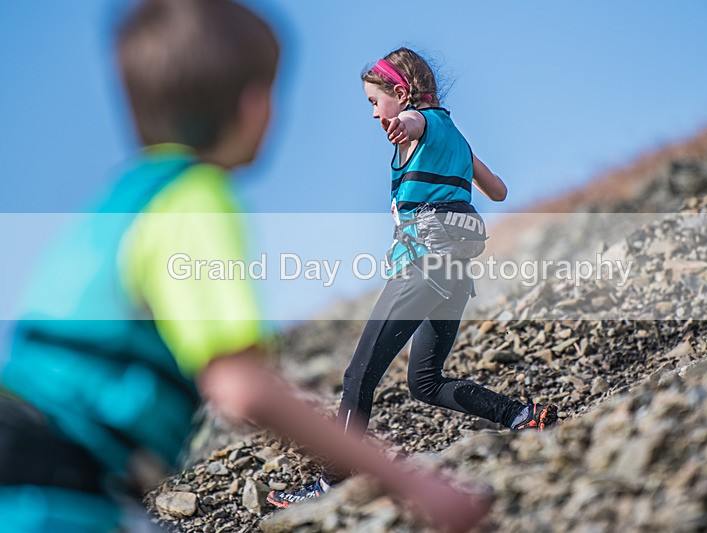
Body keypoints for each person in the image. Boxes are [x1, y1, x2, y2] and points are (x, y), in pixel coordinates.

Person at [0, 3, 490, 532]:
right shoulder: (197, 197)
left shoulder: (117, 202)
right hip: (52, 481)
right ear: (254, 105)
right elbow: (239, 386)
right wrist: (412, 484)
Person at [268, 47, 559, 508]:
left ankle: (331, 482)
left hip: (423, 268)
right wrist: (458, 160)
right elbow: (498, 190)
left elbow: (415, 123)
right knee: (424, 381)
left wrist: (404, 125)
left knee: (358, 374)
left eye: (374, 101)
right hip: (455, 274)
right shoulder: (457, 139)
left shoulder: (420, 123)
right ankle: (520, 415)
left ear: (400, 94)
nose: (373, 112)